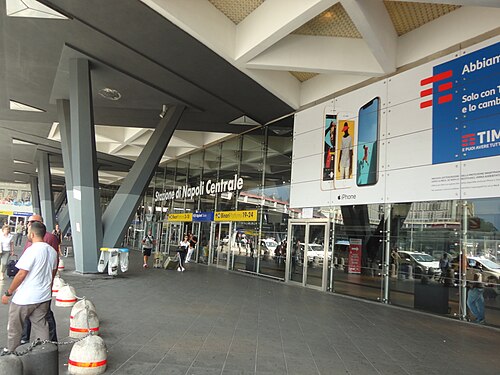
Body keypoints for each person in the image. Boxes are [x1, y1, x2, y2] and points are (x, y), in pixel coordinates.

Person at [2, 221, 58, 352]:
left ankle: (11, 354)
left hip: (25, 298)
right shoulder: (52, 252)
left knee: (14, 328)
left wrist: (8, 292)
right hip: (43, 296)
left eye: (28, 232)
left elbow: (21, 273)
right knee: (41, 325)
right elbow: (53, 273)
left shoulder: (31, 250)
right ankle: (45, 353)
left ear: (32, 234)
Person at [21, 214, 60, 344]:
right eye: (28, 222)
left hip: (39, 282)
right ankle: (25, 338)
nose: (28, 224)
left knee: (45, 313)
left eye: (31, 222)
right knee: (31, 313)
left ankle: (50, 340)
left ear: (38, 223)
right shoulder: (30, 237)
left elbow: (53, 260)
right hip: (32, 282)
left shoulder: (49, 238)